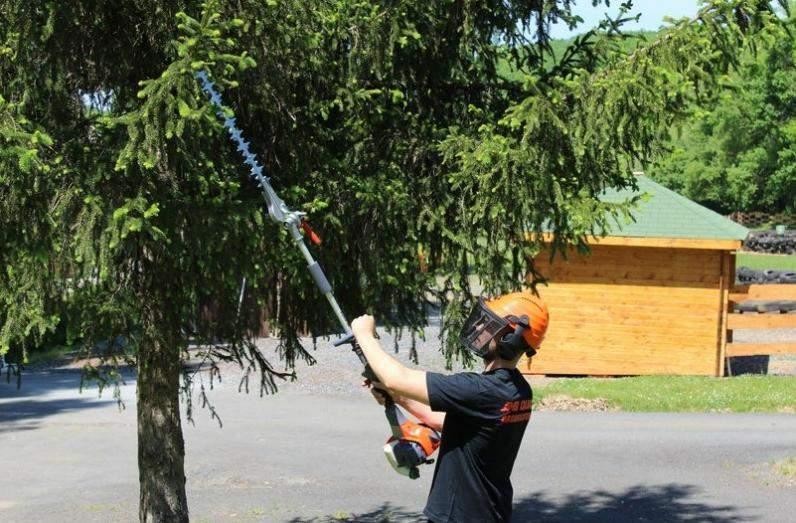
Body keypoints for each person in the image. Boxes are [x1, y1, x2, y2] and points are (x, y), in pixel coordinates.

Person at [350, 291, 549, 523]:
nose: (480, 328)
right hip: (489, 512)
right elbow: (452, 423)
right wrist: (398, 398)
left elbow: (397, 378)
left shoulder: (481, 390)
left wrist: (364, 334)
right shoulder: (518, 390)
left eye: (490, 325)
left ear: (509, 338)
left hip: (459, 516)